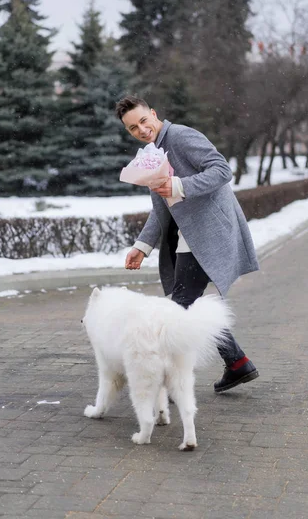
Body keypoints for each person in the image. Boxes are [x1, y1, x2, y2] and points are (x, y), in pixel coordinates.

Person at [116, 95, 259, 393]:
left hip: (207, 233)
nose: (141, 130)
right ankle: (236, 363)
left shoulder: (179, 136)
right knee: (188, 306)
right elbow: (162, 208)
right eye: (132, 128)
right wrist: (142, 246)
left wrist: (181, 185)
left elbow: (221, 169)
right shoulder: (152, 153)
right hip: (186, 237)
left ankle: (162, 380)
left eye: (143, 121)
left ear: (153, 114)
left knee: (177, 310)